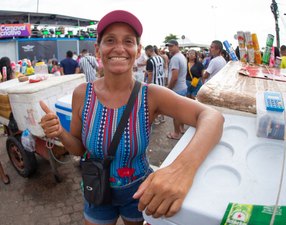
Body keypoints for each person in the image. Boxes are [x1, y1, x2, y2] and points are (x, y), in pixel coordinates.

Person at [39, 10, 224, 225]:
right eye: (110, 40)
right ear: (98, 50)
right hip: (96, 188)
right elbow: (79, 149)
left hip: (137, 192)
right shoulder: (82, 94)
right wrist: (59, 132)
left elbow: (212, 116)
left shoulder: (151, 95)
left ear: (137, 51)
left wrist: (181, 170)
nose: (119, 48)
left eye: (128, 41)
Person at [165, 39, 188, 140]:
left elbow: (174, 77)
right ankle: (182, 129)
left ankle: (176, 133)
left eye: (171, 46)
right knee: (181, 112)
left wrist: (168, 89)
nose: (169, 48)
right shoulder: (181, 56)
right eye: (168, 46)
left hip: (177, 89)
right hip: (182, 87)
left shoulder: (175, 58)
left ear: (177, 46)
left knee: (176, 114)